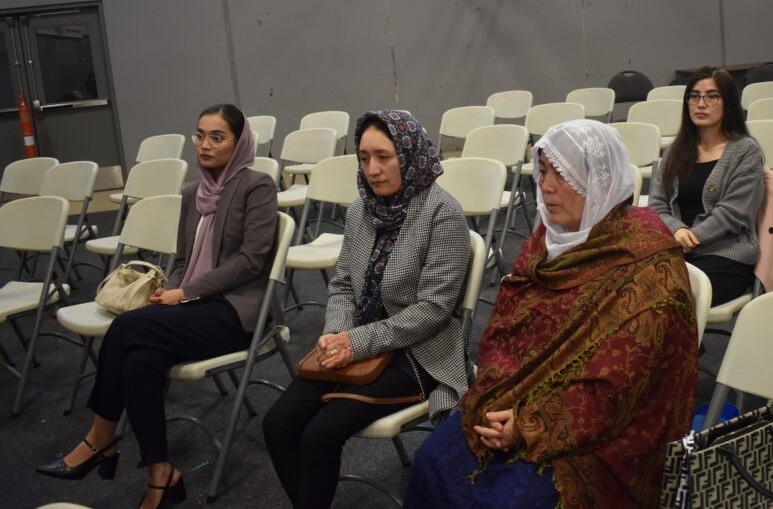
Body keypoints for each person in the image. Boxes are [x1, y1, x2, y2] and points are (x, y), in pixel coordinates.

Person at [404, 119, 699, 509]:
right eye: (542, 172)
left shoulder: (648, 262)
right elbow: (504, 331)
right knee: (430, 461)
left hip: (603, 433)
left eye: (564, 175)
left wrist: (531, 423)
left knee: (510, 502)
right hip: (514, 398)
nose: (546, 186)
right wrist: (500, 398)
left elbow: (617, 386)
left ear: (600, 181)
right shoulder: (546, 240)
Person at [37, 103, 278, 509]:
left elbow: (250, 262)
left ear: (239, 143)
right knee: (139, 361)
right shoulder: (192, 193)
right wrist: (173, 291)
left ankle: (100, 438)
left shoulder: (257, 186)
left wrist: (185, 294)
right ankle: (160, 474)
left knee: (127, 327)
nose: (204, 144)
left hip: (234, 312)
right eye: (199, 135)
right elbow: (182, 259)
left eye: (217, 137)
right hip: (193, 308)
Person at [262, 110, 470, 509]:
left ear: (409, 156)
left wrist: (354, 342)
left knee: (320, 434)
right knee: (278, 425)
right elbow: (342, 284)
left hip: (419, 352)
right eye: (364, 157)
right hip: (357, 345)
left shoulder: (442, 213)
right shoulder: (362, 210)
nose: (372, 169)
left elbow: (433, 309)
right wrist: (335, 333)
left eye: (384, 157)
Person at [649, 67, 765, 304]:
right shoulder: (674, 151)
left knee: (668, 297)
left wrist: (691, 237)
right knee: (634, 288)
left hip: (725, 254)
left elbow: (734, 213)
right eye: (694, 96)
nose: (701, 104)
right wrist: (677, 230)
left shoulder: (745, 151)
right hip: (676, 249)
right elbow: (657, 205)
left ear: (728, 104)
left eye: (712, 96)